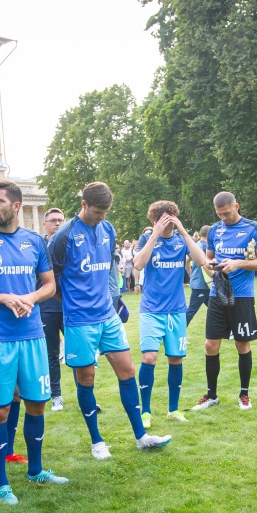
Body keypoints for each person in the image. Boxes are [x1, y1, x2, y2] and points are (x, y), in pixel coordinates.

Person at [0, 181, 69, 505]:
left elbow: (49, 285)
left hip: (33, 334)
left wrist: (30, 297)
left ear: (16, 206)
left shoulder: (35, 241)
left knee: (36, 403)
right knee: (0, 409)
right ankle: (2, 483)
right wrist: (4, 298)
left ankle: (36, 470)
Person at [48, 182, 171, 458]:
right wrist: (73, 302)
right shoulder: (63, 237)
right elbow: (50, 280)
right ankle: (97, 441)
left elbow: (107, 272)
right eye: (96, 211)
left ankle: (142, 436)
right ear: (83, 205)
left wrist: (111, 302)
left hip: (108, 316)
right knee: (86, 377)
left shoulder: (108, 228)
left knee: (127, 371)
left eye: (105, 211)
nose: (101, 216)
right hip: (79, 321)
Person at [192, 191, 257, 412]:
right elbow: (208, 259)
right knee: (210, 345)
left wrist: (238, 263)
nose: (223, 218)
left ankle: (244, 394)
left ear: (237, 206)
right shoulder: (215, 230)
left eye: (226, 213)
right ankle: (211, 395)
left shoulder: (252, 227)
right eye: (219, 214)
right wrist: (211, 265)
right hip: (217, 293)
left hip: (242, 295)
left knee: (242, 344)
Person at [133, 201, 210, 426]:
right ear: (154, 220)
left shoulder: (180, 240)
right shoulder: (146, 239)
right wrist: (154, 235)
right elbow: (138, 264)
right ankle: (145, 412)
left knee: (175, 358)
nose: (167, 224)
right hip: (151, 310)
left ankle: (173, 409)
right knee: (149, 357)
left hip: (176, 310)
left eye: (171, 218)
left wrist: (184, 232)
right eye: (162, 219)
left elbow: (201, 260)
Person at [40, 207, 66, 412]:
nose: (57, 223)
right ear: (45, 224)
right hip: (47, 307)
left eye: (60, 220)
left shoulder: (70, 243)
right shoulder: (38, 245)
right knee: (52, 354)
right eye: (53, 220)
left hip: (69, 307)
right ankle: (55, 395)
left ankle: (85, 394)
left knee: (77, 353)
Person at [185, 225, 211, 325]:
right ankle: (178, 333)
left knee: (217, 308)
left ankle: (228, 330)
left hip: (199, 282)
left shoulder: (196, 245)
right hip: (202, 284)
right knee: (191, 310)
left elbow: (187, 261)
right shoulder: (205, 247)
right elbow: (205, 265)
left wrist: (191, 276)